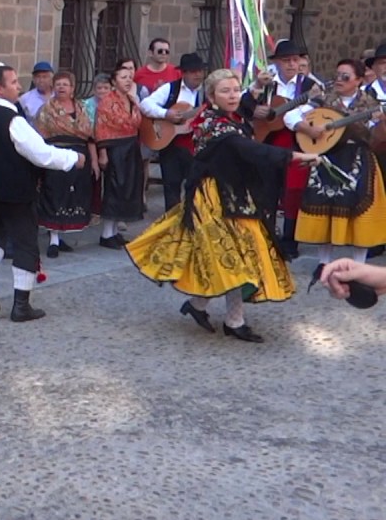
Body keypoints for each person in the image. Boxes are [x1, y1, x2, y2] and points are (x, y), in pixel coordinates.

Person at [127, 69, 321, 342]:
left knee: (239, 256)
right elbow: (250, 149)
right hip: (213, 199)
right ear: (211, 97)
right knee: (236, 256)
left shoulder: (224, 115)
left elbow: (245, 106)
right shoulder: (216, 126)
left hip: (234, 193)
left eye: (235, 89)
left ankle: (206, 309)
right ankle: (230, 319)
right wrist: (294, 156)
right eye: (225, 91)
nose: (232, 95)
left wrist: (255, 86)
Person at [0, 65, 84, 322]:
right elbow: (41, 154)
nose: (19, 86)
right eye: (14, 82)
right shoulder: (13, 120)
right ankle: (21, 305)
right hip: (13, 191)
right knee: (25, 242)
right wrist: (73, 158)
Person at [286, 59, 386, 266]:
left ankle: (358, 263)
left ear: (358, 80)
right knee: (326, 205)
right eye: (338, 75)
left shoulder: (370, 103)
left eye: (345, 77)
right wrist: (306, 129)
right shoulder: (322, 98)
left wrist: (380, 121)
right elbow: (290, 115)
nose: (339, 80)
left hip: (357, 156)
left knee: (359, 207)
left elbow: (376, 136)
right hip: (328, 155)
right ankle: (324, 262)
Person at [240, 38, 321, 260]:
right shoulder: (266, 82)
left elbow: (315, 109)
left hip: (297, 143)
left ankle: (289, 241)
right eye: (286, 60)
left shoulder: (310, 85)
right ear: (277, 63)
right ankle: (266, 236)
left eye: (295, 60)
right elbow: (243, 105)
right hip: (267, 142)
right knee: (267, 191)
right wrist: (255, 104)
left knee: (293, 192)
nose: (292, 64)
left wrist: (295, 114)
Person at [33, 71, 98, 257]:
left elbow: (91, 136)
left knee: (74, 194)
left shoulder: (82, 108)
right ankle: (53, 239)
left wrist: (93, 160)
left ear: (72, 88)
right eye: (58, 84)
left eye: (65, 84)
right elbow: (40, 136)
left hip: (80, 156)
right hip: (56, 155)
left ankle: (61, 237)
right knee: (55, 193)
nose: (61, 87)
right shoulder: (47, 109)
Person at [140, 53, 208, 212]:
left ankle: (192, 221)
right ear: (183, 73)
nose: (198, 74)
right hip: (171, 145)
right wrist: (166, 114)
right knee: (171, 186)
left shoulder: (207, 93)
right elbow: (145, 104)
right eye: (193, 71)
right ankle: (172, 223)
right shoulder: (170, 88)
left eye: (200, 71)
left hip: (197, 147)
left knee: (197, 186)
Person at [93, 63, 146, 248]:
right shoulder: (108, 101)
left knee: (127, 189)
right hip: (114, 148)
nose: (128, 80)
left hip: (131, 147)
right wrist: (102, 153)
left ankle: (114, 232)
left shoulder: (131, 100)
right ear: (114, 82)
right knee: (114, 189)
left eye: (129, 77)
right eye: (123, 77)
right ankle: (106, 234)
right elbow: (101, 128)